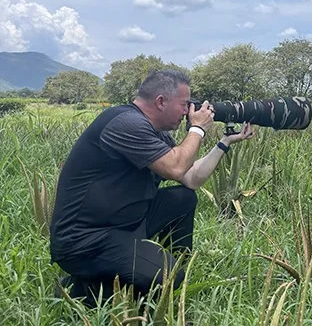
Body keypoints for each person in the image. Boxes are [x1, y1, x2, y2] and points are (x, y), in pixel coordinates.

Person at [49, 69, 254, 304]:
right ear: (160, 102)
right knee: (168, 277)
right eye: (184, 104)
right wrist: (197, 129)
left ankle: (171, 265)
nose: (188, 112)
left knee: (183, 198)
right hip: (86, 239)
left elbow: (191, 178)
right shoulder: (126, 123)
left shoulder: (156, 133)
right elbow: (176, 167)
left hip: (126, 224)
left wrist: (224, 142)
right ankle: (81, 290)